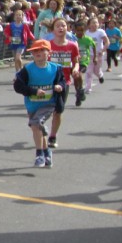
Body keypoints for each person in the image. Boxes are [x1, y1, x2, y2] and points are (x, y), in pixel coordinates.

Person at [12, 39, 65, 168]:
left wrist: (60, 86)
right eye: (35, 51)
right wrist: (33, 91)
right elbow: (18, 86)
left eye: (41, 50)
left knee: (36, 124)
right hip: (32, 104)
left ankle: (39, 155)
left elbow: (62, 81)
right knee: (36, 127)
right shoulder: (27, 69)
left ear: (49, 53)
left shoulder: (56, 68)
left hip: (49, 103)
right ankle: (47, 152)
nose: (38, 53)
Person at [46, 17, 80, 149]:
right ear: (53, 30)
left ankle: (53, 136)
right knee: (45, 110)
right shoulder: (48, 45)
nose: (61, 28)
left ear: (67, 28)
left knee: (58, 111)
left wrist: (75, 69)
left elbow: (76, 62)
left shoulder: (72, 45)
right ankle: (40, 126)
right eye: (58, 26)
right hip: (48, 81)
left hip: (64, 81)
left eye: (63, 25)